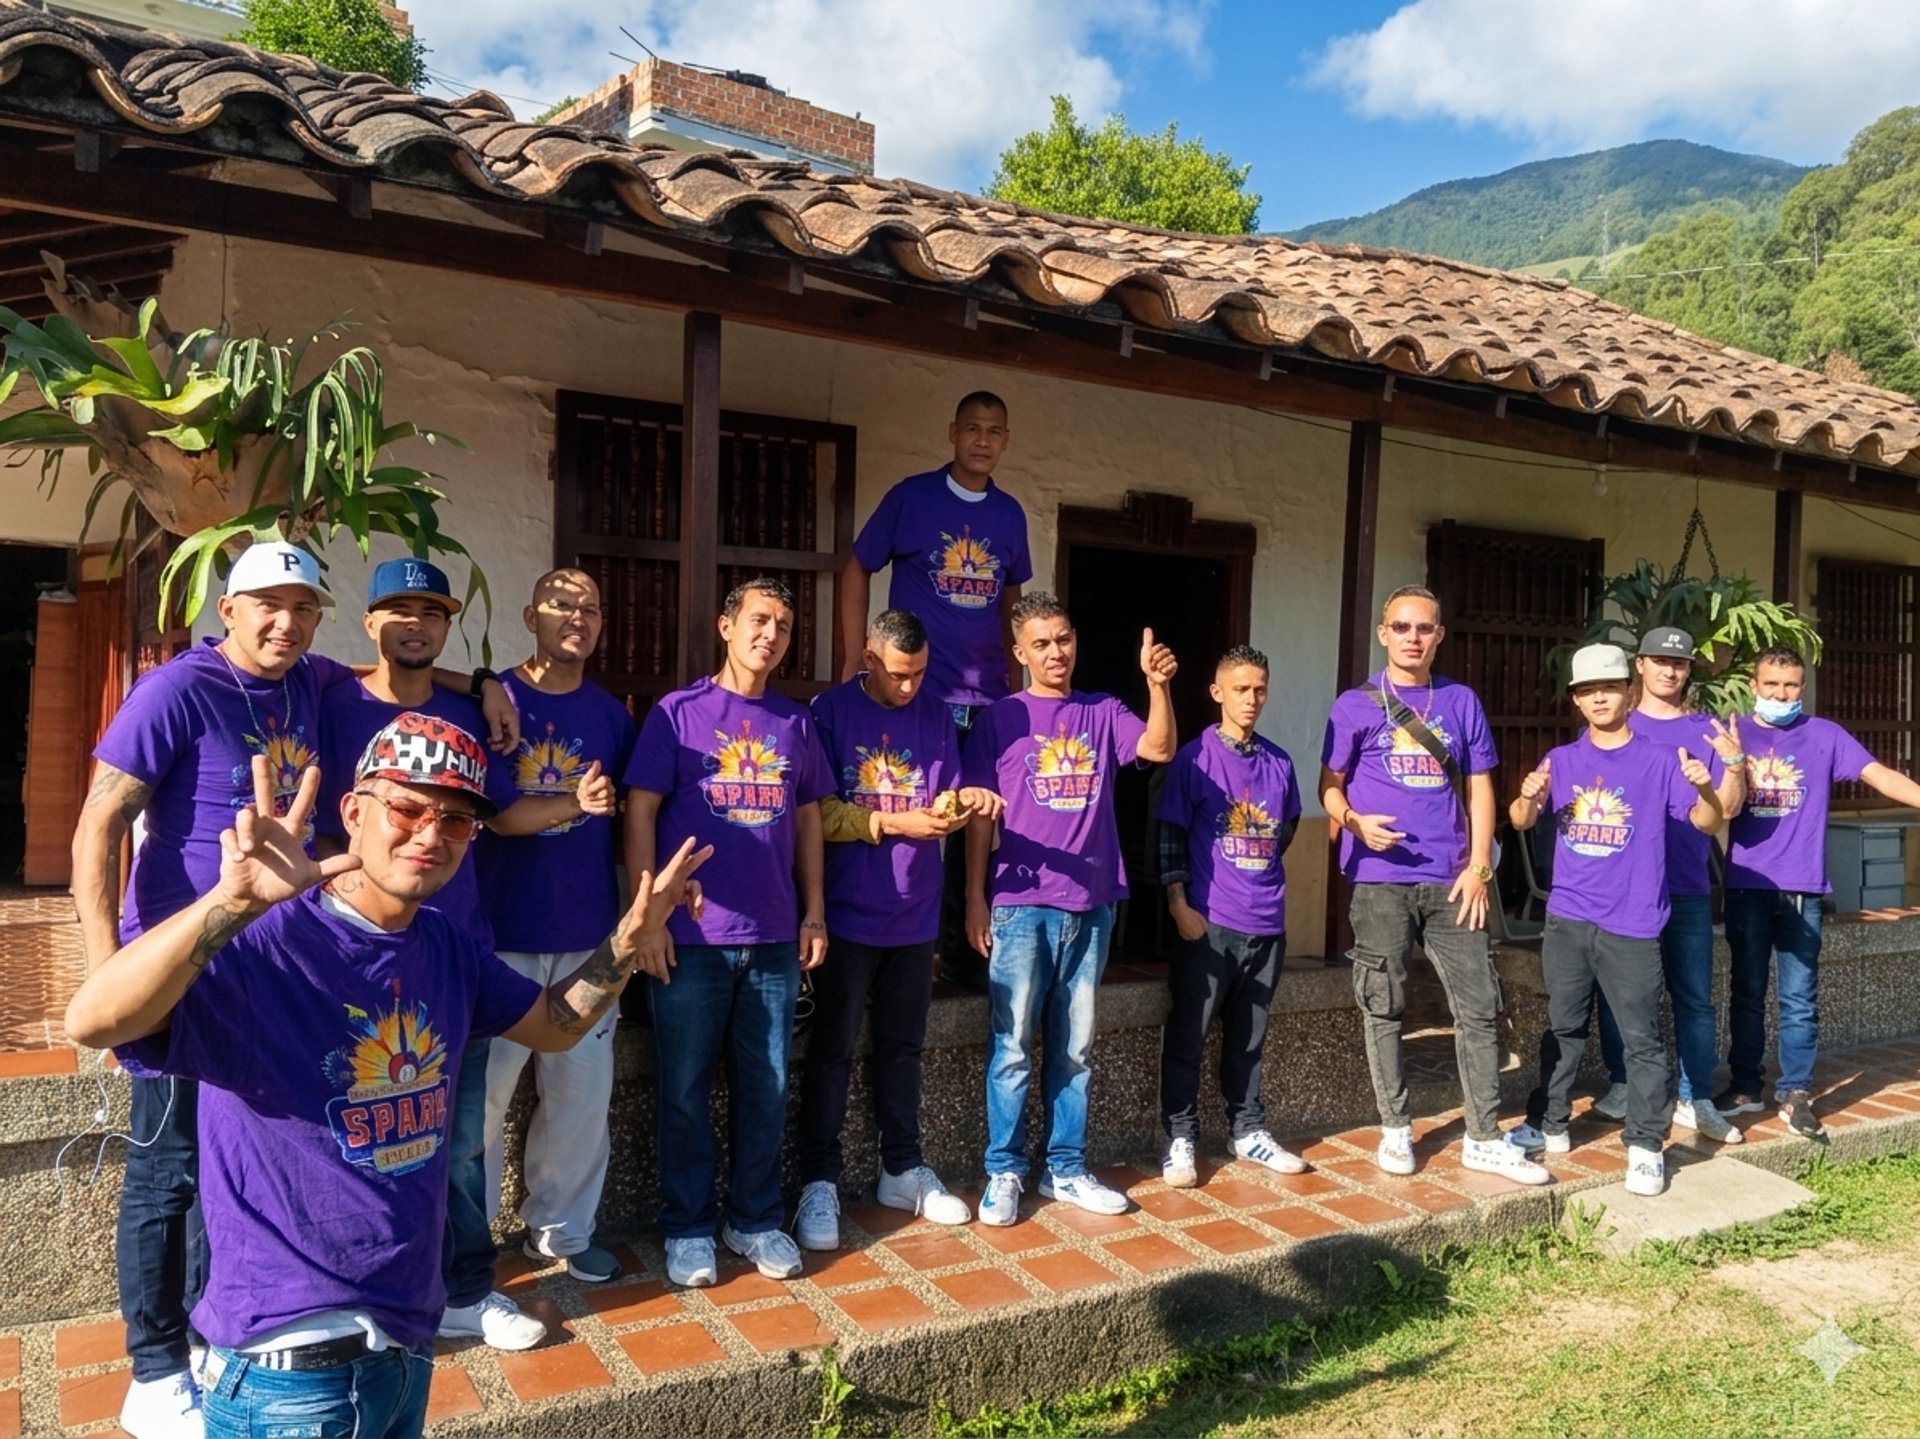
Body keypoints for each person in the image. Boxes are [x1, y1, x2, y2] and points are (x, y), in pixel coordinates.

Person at [64, 721, 710, 1439]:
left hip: (403, 1347)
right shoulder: (265, 944)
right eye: (407, 808)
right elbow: (93, 1021)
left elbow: (555, 1025)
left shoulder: (445, 946)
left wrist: (624, 944)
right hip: (288, 1373)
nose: (430, 834)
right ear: (353, 812)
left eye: (456, 820)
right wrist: (232, 904)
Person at [70, 541, 517, 1439]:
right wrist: (104, 963)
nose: (286, 622)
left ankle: (210, 1340)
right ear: (227, 609)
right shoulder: (176, 688)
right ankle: (154, 1367)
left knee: (233, 1166)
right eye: (267, 604)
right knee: (167, 1171)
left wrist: (483, 683)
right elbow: (97, 824)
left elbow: (394, 658)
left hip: (270, 963)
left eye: (305, 606)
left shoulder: (310, 678)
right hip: (184, 965)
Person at [316, 560, 618, 1349]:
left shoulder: (470, 711)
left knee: (456, 1139)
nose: (416, 625)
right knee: (352, 1129)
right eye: (399, 610)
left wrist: (480, 686)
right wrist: (487, 678)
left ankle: (463, 1288)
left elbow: (502, 814)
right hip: (354, 954)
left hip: (458, 951)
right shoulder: (331, 697)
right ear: (369, 619)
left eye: (432, 612)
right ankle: (365, 1283)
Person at [624, 576, 833, 1286]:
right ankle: (687, 1226)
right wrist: (647, 917)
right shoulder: (677, 714)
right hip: (690, 938)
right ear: (726, 626)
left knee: (766, 1085)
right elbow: (640, 810)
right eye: (758, 620)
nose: (770, 634)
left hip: (773, 937)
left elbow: (808, 818)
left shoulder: (794, 722)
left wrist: (813, 910)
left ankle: (755, 1218)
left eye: (783, 625)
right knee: (683, 1088)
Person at [1319, 585, 1548, 1186]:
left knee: (1478, 1006)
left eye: (1424, 628)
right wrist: (1353, 822)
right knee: (1383, 1005)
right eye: (1401, 627)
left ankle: (1483, 1136)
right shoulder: (1354, 705)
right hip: (1379, 880)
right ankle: (1396, 1128)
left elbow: (1479, 786)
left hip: (1452, 880)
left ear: (1439, 636)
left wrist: (1480, 867)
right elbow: (1329, 787)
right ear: (1383, 634)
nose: (1412, 637)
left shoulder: (1460, 701)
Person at [962, 592, 1177, 1224]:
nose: (1056, 652)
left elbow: (1159, 749)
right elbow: (979, 818)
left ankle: (1066, 1168)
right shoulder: (999, 719)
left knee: (1076, 1047)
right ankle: (1004, 1170)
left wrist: (1156, 686)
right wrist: (974, 898)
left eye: (1064, 639)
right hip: (1019, 904)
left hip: (1091, 903)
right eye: (1042, 643)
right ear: (1020, 652)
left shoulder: (1102, 710)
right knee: (1012, 1046)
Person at [795, 609, 1005, 1246]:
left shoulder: (936, 715)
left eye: (918, 674)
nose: (910, 686)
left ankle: (902, 1167)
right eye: (897, 674)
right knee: (831, 1050)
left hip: (915, 914)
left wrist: (966, 803)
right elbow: (816, 813)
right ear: (868, 657)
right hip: (846, 912)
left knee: (904, 1046)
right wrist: (893, 823)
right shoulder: (829, 712)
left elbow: (946, 798)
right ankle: (819, 1181)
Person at [1506, 644, 1724, 1197]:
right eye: (1587, 690)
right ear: (1576, 702)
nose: (1598, 698)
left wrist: (1705, 786)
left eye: (1608, 687)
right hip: (1568, 918)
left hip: (1633, 921)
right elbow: (1521, 820)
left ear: (1629, 692)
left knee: (1641, 1038)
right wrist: (1527, 798)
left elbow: (1705, 821)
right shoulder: (1562, 760)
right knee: (1563, 1026)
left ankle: (1646, 1145)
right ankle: (1550, 1122)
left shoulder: (1661, 759)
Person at [475, 568, 636, 1285]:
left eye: (590, 608)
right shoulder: (493, 702)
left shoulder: (612, 716)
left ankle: (563, 1232)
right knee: (484, 1101)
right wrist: (574, 801)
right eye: (562, 604)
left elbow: (632, 821)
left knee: (579, 1098)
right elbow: (497, 816)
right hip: (500, 934)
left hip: (586, 937)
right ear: (529, 615)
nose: (577, 617)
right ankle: (469, 1242)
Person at [840, 392, 1033, 987]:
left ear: (1006, 440)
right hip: (921, 697)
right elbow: (857, 566)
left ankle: (965, 958)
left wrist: (1019, 680)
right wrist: (853, 654)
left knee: (980, 823)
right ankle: (900, 957)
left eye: (994, 431)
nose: (982, 440)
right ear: (952, 432)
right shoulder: (912, 497)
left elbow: (1012, 599)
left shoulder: (1011, 515)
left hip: (987, 698)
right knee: (912, 818)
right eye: (972, 428)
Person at [1719, 645, 1920, 1139]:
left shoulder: (1825, 735)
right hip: (1747, 883)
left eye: (1790, 686)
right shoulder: (1733, 733)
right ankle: (1745, 1087)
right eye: (1771, 685)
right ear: (1754, 685)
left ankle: (1795, 1093)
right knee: (1746, 991)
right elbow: (1713, 802)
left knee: (1799, 997)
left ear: (1802, 688)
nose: (1780, 694)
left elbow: (1879, 774)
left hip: (1802, 887)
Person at [1155, 645, 1305, 1187]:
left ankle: (1248, 1130)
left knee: (1249, 1039)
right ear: (1217, 692)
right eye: (1241, 689)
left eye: (1260, 689)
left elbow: (1285, 831)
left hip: (1266, 924)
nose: (1251, 699)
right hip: (1209, 924)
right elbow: (1169, 835)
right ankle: (1180, 1136)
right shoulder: (1194, 758)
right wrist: (1179, 906)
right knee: (1188, 1037)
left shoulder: (1280, 762)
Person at [1595, 626, 1748, 1145]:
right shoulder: (1615, 723)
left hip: (1686, 884)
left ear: (1688, 670)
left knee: (1694, 996)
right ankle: (1624, 1085)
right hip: (1625, 888)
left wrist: (1733, 764)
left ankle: (1695, 1094)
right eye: (1659, 660)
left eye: (1679, 663)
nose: (1670, 670)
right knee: (1621, 995)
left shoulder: (1707, 731)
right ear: (1639, 665)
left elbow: (1728, 809)